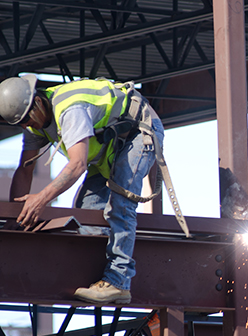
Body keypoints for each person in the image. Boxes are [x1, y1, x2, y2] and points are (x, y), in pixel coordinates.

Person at [0, 74, 164, 305]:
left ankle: (118, 280)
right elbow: (25, 170)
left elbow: (77, 165)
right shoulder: (32, 123)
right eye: (21, 125)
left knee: (121, 202)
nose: (28, 126)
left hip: (138, 133)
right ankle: (96, 273)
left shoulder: (70, 110)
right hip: (109, 147)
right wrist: (15, 219)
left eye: (27, 120)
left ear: (37, 102)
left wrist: (41, 199)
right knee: (87, 210)